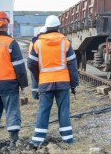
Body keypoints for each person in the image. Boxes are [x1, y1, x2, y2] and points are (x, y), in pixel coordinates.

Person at [27, 15, 79, 147]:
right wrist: (73, 85)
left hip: (45, 82)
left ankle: (38, 139)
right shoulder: (65, 42)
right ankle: (68, 139)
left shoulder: (38, 43)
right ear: (58, 27)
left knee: (43, 110)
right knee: (64, 110)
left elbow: (31, 64)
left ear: (46, 27)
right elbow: (73, 67)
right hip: (63, 82)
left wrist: (39, 77)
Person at [0, 11, 28, 149]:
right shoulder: (10, 43)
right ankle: (13, 143)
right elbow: (19, 67)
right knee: (12, 113)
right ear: (6, 24)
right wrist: (24, 85)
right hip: (9, 84)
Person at [29, 26, 47, 100]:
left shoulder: (34, 41)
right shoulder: (39, 42)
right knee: (38, 79)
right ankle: (38, 94)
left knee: (34, 79)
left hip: (33, 62)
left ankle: (35, 95)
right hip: (39, 63)